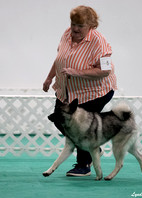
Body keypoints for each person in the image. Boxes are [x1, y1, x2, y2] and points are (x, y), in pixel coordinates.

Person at [43, 5, 117, 177]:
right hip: (67, 90)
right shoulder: (67, 33)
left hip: (94, 91)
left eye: (80, 26)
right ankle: (94, 149)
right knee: (58, 119)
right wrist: (49, 77)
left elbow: (105, 71)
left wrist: (78, 73)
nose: (75, 29)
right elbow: (59, 58)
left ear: (91, 25)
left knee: (82, 127)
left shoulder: (99, 42)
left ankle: (84, 165)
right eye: (73, 24)